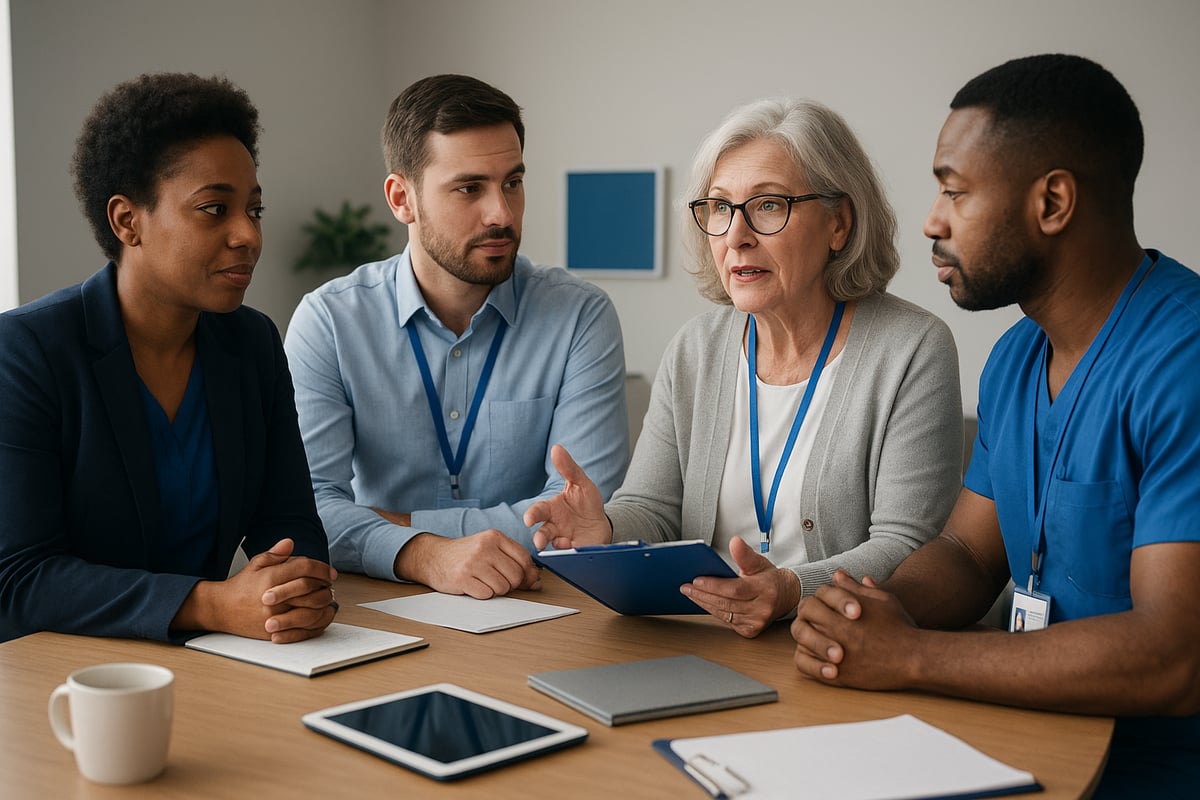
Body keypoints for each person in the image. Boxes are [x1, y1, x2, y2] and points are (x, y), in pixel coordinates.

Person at [790, 54, 1200, 796]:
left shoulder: (1185, 361)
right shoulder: (1016, 357)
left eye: (954, 190)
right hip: (1021, 737)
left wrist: (912, 656)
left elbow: (1172, 656)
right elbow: (966, 554)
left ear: (1052, 203)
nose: (931, 220)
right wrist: (863, 615)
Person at [526, 98, 963, 638]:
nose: (736, 234)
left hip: (835, 647)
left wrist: (790, 590)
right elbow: (654, 508)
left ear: (839, 224)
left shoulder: (912, 348)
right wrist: (607, 526)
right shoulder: (695, 349)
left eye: (768, 206)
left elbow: (910, 546)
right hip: (700, 642)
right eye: (719, 207)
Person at [0, 73, 337, 644]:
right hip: (62, 679)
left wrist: (293, 592)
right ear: (127, 221)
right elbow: (21, 578)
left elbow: (288, 521)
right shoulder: (27, 352)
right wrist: (210, 604)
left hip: (209, 664)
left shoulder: (251, 343)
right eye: (214, 209)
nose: (248, 235)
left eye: (254, 210)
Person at [284, 74, 628, 600]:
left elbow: (577, 513)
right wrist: (423, 554)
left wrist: (389, 525)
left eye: (512, 182)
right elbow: (305, 508)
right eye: (470, 188)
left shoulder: (580, 316)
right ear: (403, 199)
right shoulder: (329, 322)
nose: (502, 214)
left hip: (538, 603)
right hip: (377, 609)